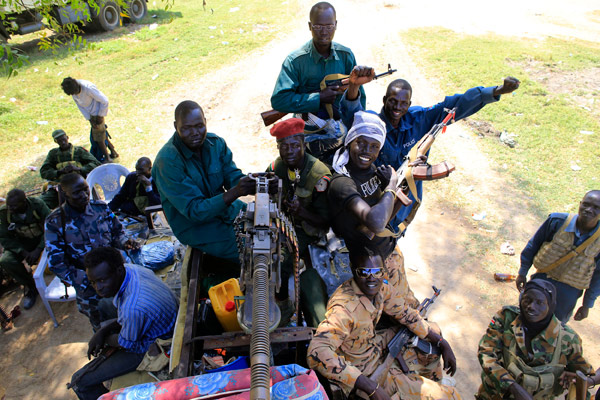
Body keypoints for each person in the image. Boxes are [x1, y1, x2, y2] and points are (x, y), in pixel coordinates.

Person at [341, 67, 520, 235]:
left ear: (409, 103)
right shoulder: (373, 124)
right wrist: (354, 86)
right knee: (368, 238)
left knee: (392, 237)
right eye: (393, 101)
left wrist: (496, 91)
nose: (397, 107)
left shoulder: (420, 118)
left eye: (403, 103)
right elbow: (352, 116)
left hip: (404, 202)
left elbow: (456, 104)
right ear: (384, 100)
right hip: (375, 199)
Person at [307, 243, 460, 400]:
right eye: (364, 272)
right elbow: (316, 351)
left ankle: (431, 381)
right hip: (363, 367)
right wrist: (370, 387)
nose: (372, 278)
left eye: (377, 271)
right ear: (354, 270)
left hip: (374, 345)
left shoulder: (381, 288)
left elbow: (405, 313)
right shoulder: (345, 309)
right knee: (451, 396)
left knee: (432, 332)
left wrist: (442, 342)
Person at [328, 110, 419, 307]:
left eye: (374, 146)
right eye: (360, 143)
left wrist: (407, 176)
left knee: (409, 306)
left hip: (387, 253)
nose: (366, 151)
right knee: (390, 312)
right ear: (349, 141)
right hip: (367, 269)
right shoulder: (342, 182)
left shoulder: (372, 171)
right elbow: (376, 222)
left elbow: (384, 215)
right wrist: (391, 187)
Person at [152, 100, 256, 265]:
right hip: (195, 227)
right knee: (255, 250)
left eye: (199, 126)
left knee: (267, 224)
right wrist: (236, 191)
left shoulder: (215, 143)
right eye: (186, 128)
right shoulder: (167, 162)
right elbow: (195, 211)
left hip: (224, 210)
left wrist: (253, 183)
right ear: (175, 126)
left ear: (205, 122)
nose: (195, 133)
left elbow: (231, 176)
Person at [70, 246, 178, 400]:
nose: (97, 288)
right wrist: (103, 331)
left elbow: (127, 344)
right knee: (104, 306)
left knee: (79, 382)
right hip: (163, 321)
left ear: (118, 271)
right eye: (93, 282)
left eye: (102, 280)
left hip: (158, 344)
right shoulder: (131, 268)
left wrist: (104, 337)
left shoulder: (132, 308)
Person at [270, 2, 366, 163]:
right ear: (309, 26)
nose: (324, 32)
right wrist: (318, 98)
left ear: (336, 25)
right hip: (306, 129)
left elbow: (360, 100)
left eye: (329, 26)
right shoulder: (296, 61)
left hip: (339, 128)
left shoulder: (345, 56)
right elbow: (279, 100)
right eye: (318, 26)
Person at [44, 173, 139, 330]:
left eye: (85, 190)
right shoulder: (55, 221)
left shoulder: (100, 208)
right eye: (76, 193)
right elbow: (56, 262)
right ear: (64, 193)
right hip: (90, 288)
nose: (84, 195)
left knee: (132, 314)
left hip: (118, 277)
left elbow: (117, 232)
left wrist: (125, 242)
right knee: (104, 326)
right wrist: (90, 280)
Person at [477, 279, 599, 400]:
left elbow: (584, 379)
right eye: (527, 300)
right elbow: (486, 352)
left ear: (550, 305)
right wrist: (512, 386)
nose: (531, 307)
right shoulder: (506, 318)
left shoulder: (567, 340)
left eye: (539, 303)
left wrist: (575, 381)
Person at [266, 117, 331, 326]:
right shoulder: (277, 167)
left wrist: (301, 212)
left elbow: (326, 221)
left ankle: (284, 306)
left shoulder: (318, 175)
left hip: (308, 230)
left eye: (295, 145)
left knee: (281, 260)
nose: (289, 151)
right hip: (283, 224)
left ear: (304, 144)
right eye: (283, 146)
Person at [516, 190, 600, 323]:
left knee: (554, 328)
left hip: (568, 292)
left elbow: (598, 276)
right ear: (580, 204)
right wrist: (522, 272)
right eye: (586, 204)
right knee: (525, 316)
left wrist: (587, 305)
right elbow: (533, 245)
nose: (589, 210)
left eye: (596, 208)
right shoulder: (557, 221)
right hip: (541, 280)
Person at [0, 189, 51, 309]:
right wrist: (23, 252)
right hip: (23, 245)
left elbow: (51, 226)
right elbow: (4, 238)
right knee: (6, 261)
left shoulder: (37, 205)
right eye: (8, 205)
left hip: (42, 240)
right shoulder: (4, 213)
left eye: (13, 206)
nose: (10, 208)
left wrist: (38, 249)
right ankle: (31, 287)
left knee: (50, 264)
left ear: (24, 202)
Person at [61, 77, 119, 163]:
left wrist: (101, 115)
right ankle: (113, 152)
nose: (74, 95)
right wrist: (89, 119)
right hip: (90, 115)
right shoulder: (73, 92)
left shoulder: (88, 88)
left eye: (75, 92)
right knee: (101, 133)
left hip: (98, 112)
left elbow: (104, 101)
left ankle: (108, 158)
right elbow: (80, 106)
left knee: (98, 136)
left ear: (77, 86)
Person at [39, 129, 101, 209]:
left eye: (64, 139)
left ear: (67, 137)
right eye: (59, 141)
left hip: (80, 186)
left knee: (93, 205)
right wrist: (59, 172)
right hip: (59, 188)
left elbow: (96, 164)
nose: (63, 142)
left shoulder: (79, 151)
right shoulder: (53, 154)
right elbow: (44, 171)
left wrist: (79, 169)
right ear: (55, 141)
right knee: (40, 203)